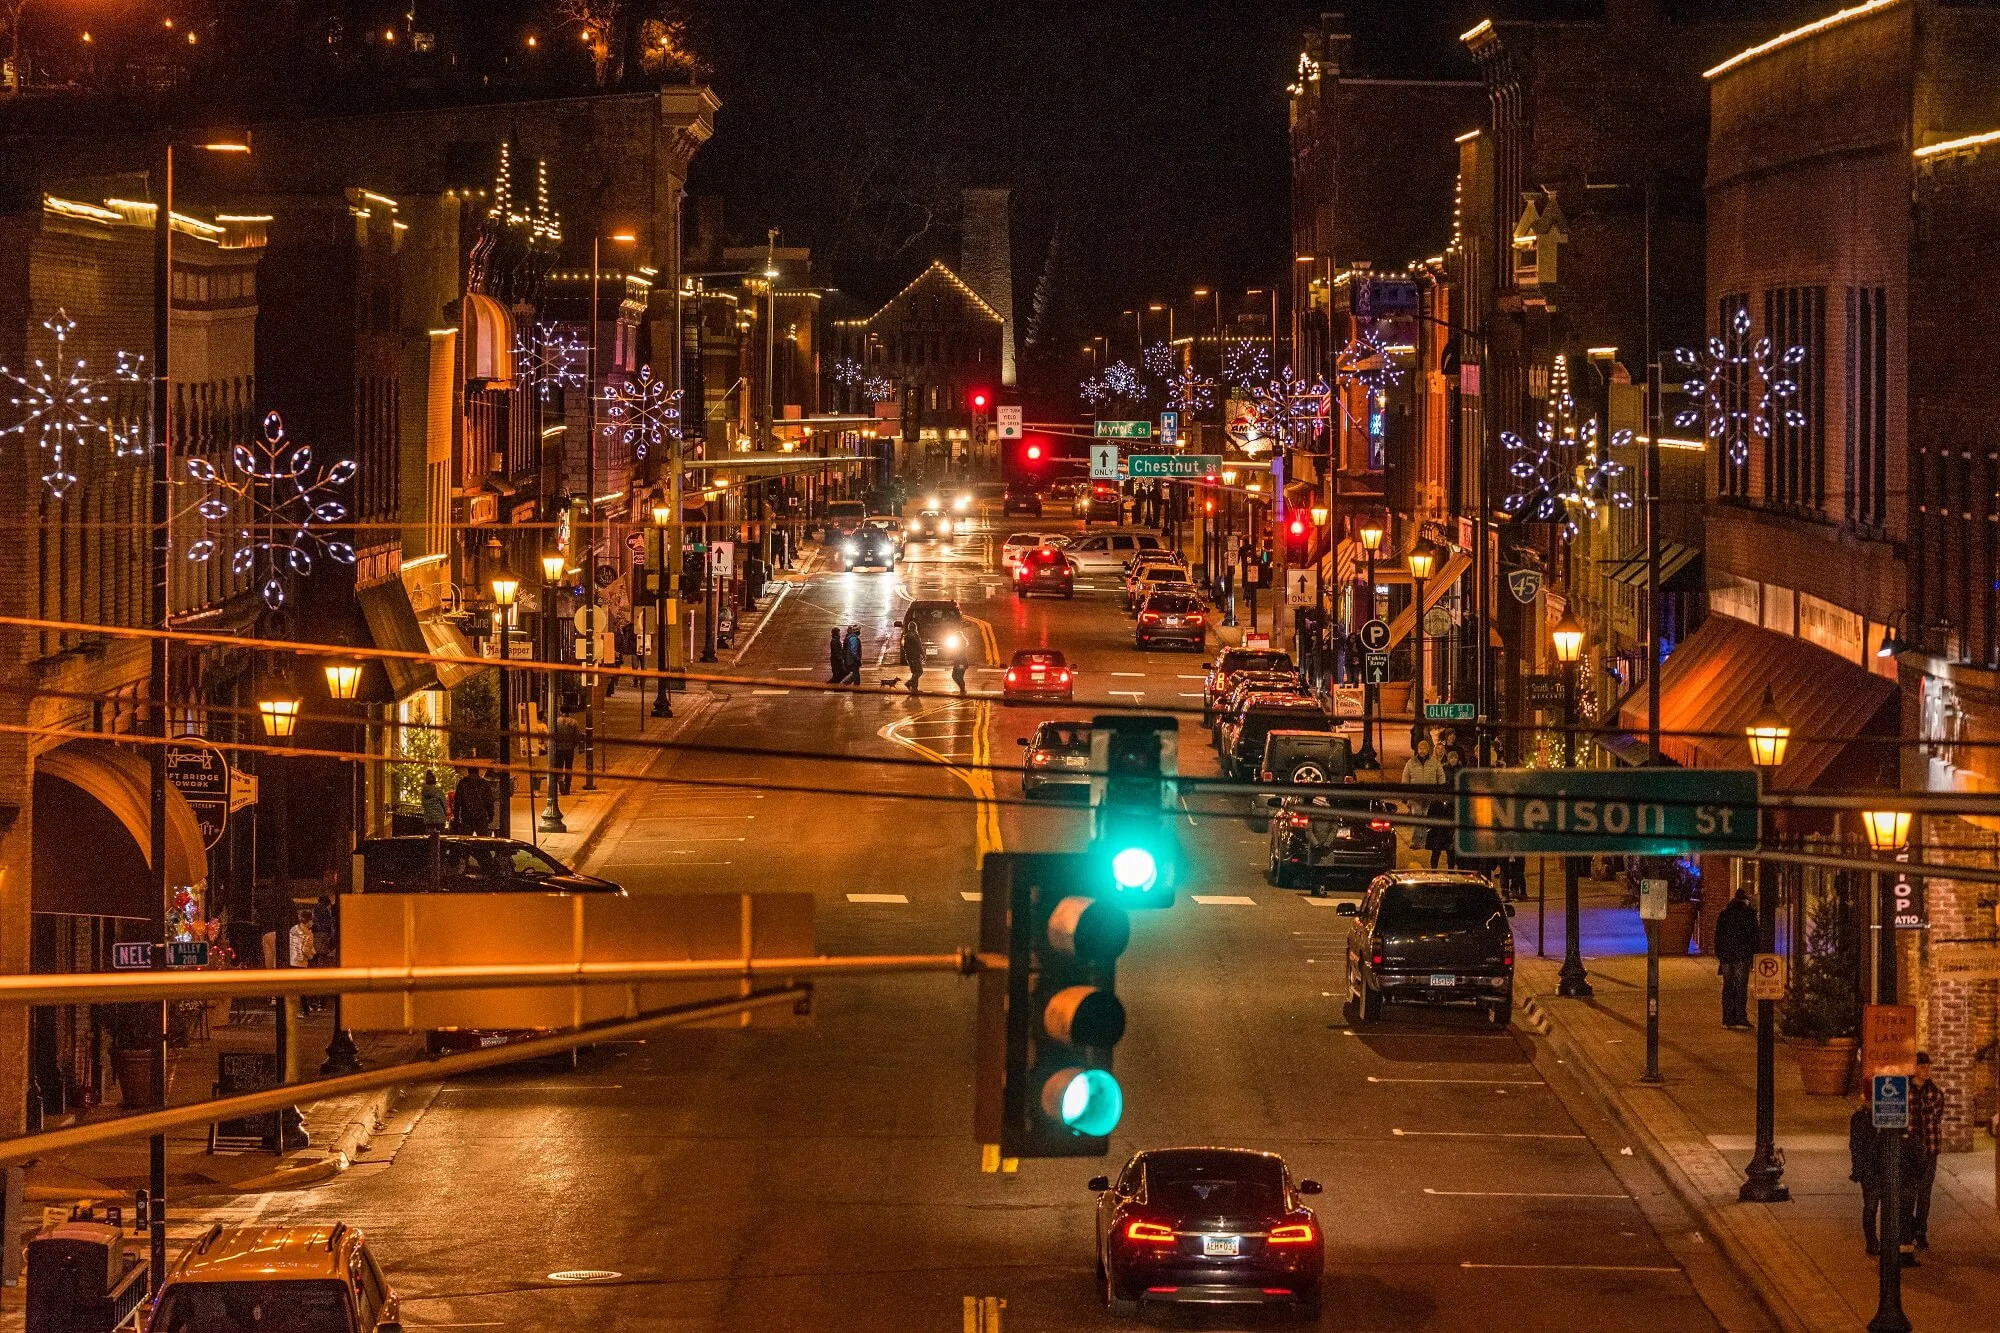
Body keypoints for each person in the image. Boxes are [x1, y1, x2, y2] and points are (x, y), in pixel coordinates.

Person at [1910, 1052, 1947, 1249]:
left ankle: (1920, 1231)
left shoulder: (1935, 1093)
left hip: (1929, 1148)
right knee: (1909, 1191)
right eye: (1922, 1066)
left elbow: (1934, 1118)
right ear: (1914, 1068)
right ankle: (1908, 1228)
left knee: (1924, 1192)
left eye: (1928, 1067)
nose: (1926, 1070)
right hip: (1910, 1149)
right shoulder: (1906, 1090)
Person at [1714, 887, 1759, 1030]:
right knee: (1740, 986)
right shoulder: (1749, 914)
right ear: (1745, 900)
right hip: (1742, 956)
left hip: (1726, 956)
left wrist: (1720, 954)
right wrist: (1753, 954)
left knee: (1728, 986)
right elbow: (1754, 936)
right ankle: (1740, 1018)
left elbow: (1718, 936)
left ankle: (1727, 1018)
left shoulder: (1724, 914)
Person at [1850, 1090, 1885, 1256]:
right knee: (1871, 1206)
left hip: (1879, 1167)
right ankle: (1872, 1241)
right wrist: (1860, 1169)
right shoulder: (1860, 1118)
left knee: (1878, 1206)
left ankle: (1880, 1241)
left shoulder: (1884, 1117)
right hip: (1870, 1169)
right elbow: (1856, 1146)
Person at [453, 767, 495, 835]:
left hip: (466, 815)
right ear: (477, 772)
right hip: (481, 816)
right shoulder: (484, 783)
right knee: (482, 839)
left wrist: (456, 816)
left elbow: (457, 801)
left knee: (466, 839)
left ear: (468, 771)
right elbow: (489, 801)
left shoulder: (462, 783)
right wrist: (491, 815)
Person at [552, 712, 582, 795]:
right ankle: (567, 786)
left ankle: (560, 781)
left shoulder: (556, 722)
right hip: (569, 748)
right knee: (569, 767)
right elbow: (577, 736)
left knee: (559, 766)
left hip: (559, 748)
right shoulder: (574, 722)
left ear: (561, 712)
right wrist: (574, 744)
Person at [901, 618, 925, 694]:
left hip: (909, 657)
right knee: (919, 671)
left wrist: (908, 654)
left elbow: (904, 647)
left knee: (914, 672)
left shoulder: (906, 636)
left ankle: (914, 689)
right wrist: (923, 654)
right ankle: (909, 682)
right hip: (915, 656)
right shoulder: (915, 635)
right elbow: (919, 646)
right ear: (915, 628)